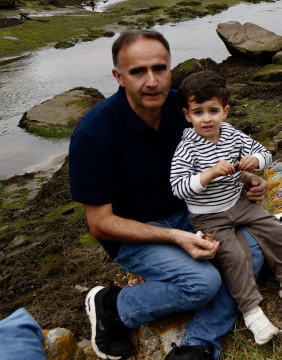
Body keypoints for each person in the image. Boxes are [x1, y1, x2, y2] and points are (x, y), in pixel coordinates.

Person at [69, 30, 271, 360]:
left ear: (170, 67)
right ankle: (113, 306)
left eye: (159, 68)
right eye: (138, 71)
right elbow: (100, 224)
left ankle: (199, 344)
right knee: (203, 283)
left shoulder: (185, 109)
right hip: (134, 232)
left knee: (252, 251)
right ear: (119, 76)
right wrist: (176, 237)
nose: (153, 82)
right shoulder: (94, 133)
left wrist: (246, 176)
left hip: (189, 213)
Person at [170, 70, 282, 346]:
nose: (206, 118)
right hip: (208, 217)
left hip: (239, 203)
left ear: (225, 111)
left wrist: (255, 161)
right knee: (233, 254)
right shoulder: (187, 147)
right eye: (198, 112)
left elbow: (266, 154)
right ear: (187, 115)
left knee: (273, 227)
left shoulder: (231, 134)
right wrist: (209, 174)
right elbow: (178, 187)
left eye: (213, 111)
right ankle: (251, 311)